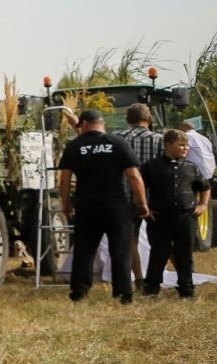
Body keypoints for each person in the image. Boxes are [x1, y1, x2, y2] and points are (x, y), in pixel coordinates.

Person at [58, 109, 149, 303]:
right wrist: (142, 203)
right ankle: (123, 294)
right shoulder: (118, 143)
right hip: (116, 206)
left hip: (87, 206)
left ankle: (79, 293)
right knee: (120, 251)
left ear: (83, 124)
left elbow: (64, 179)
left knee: (84, 250)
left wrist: (66, 204)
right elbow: (134, 176)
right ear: (102, 123)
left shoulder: (74, 146)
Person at [140, 129, 209, 299]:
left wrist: (203, 204)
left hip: (185, 217)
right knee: (159, 252)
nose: (186, 148)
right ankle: (151, 288)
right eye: (181, 145)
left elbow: (205, 187)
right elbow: (139, 187)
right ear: (167, 145)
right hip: (159, 217)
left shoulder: (191, 167)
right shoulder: (151, 166)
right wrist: (144, 206)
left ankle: (186, 289)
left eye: (187, 145)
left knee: (184, 254)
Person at [117, 103, 160, 284]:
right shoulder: (160, 140)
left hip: (124, 197)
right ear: (149, 119)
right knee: (162, 239)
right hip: (155, 199)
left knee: (130, 240)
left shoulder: (117, 138)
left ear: (127, 119)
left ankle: (139, 279)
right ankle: (183, 274)